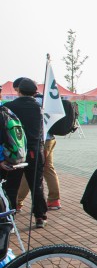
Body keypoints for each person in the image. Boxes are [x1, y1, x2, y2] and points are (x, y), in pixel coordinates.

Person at [2, 78, 47, 228]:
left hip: (14, 152)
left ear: (18, 91)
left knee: (11, 186)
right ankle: (40, 217)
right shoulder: (40, 107)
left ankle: (10, 219)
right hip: (35, 150)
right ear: (35, 93)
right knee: (37, 185)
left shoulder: (9, 107)